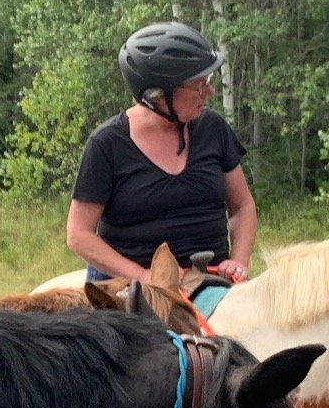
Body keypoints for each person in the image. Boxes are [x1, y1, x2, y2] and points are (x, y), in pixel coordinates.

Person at [68, 20, 257, 285]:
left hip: (209, 281)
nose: (210, 92)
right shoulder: (106, 144)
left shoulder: (213, 129)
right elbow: (79, 234)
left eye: (208, 82)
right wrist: (147, 277)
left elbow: (242, 207)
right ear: (157, 94)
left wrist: (237, 261)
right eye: (198, 86)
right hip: (134, 288)